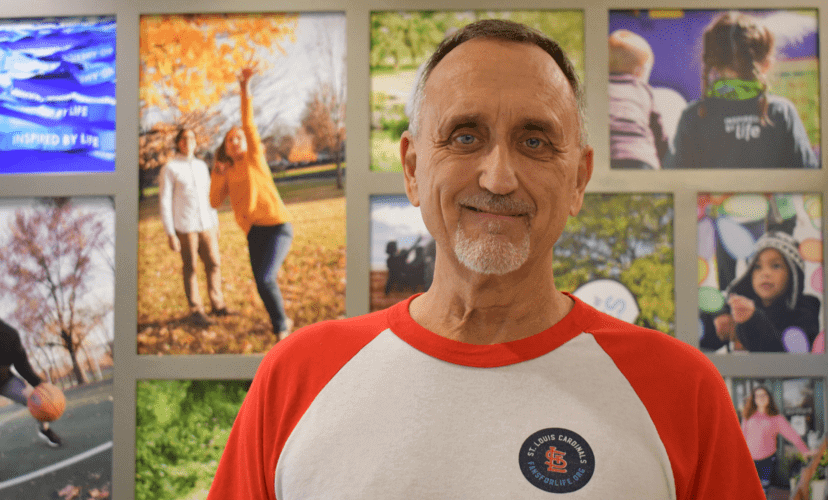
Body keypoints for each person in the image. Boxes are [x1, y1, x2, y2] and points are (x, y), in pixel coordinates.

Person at [208, 20, 764, 499]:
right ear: (411, 168)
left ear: (579, 179)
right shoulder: (297, 377)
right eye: (466, 136)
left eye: (536, 142)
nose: (498, 177)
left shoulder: (681, 390)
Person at [665, 11, 818, 169]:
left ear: (713, 63)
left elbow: (674, 176)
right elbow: (808, 173)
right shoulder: (781, 112)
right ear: (767, 64)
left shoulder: (694, 115)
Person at [210, 67, 293, 339]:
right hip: (254, 232)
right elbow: (213, 201)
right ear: (225, 147)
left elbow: (248, 123)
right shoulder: (227, 171)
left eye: (238, 138)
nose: (234, 141)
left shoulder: (255, 157)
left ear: (245, 142)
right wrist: (216, 174)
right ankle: (280, 321)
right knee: (261, 282)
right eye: (229, 139)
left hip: (277, 227)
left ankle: (281, 327)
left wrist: (245, 89)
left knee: (266, 279)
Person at [158, 127, 228, 327]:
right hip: (185, 226)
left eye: (191, 138)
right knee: (191, 268)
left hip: (206, 224)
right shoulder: (170, 168)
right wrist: (170, 233)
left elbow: (210, 196)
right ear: (178, 142)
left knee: (214, 263)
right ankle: (196, 310)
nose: (187, 141)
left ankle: (218, 305)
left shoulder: (201, 166)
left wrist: (215, 223)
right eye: (183, 138)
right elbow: (164, 201)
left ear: (195, 142)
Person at [712, 232, 821, 352]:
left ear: (794, 275)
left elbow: (784, 354)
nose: (765, 273)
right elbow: (703, 339)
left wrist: (751, 320)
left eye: (776, 266)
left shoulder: (806, 309)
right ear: (750, 275)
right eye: (757, 266)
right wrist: (720, 316)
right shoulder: (741, 304)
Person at [608, 29, 668, 169]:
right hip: (639, 157)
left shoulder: (596, 89)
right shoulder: (643, 90)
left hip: (605, 157)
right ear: (639, 72)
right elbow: (659, 134)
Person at [741, 386, 816, 496]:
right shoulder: (747, 416)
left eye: (764, 395)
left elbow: (792, 435)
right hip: (749, 460)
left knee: (762, 491)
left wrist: (804, 450)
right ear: (754, 399)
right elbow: (742, 437)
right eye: (758, 396)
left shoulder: (777, 418)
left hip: (767, 461)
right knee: (748, 490)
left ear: (769, 398)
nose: (761, 398)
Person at [0, 318, 62, 447]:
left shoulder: (10, 334)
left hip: (4, 381)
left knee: (39, 401)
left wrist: (40, 385)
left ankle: (44, 430)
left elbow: (21, 364)